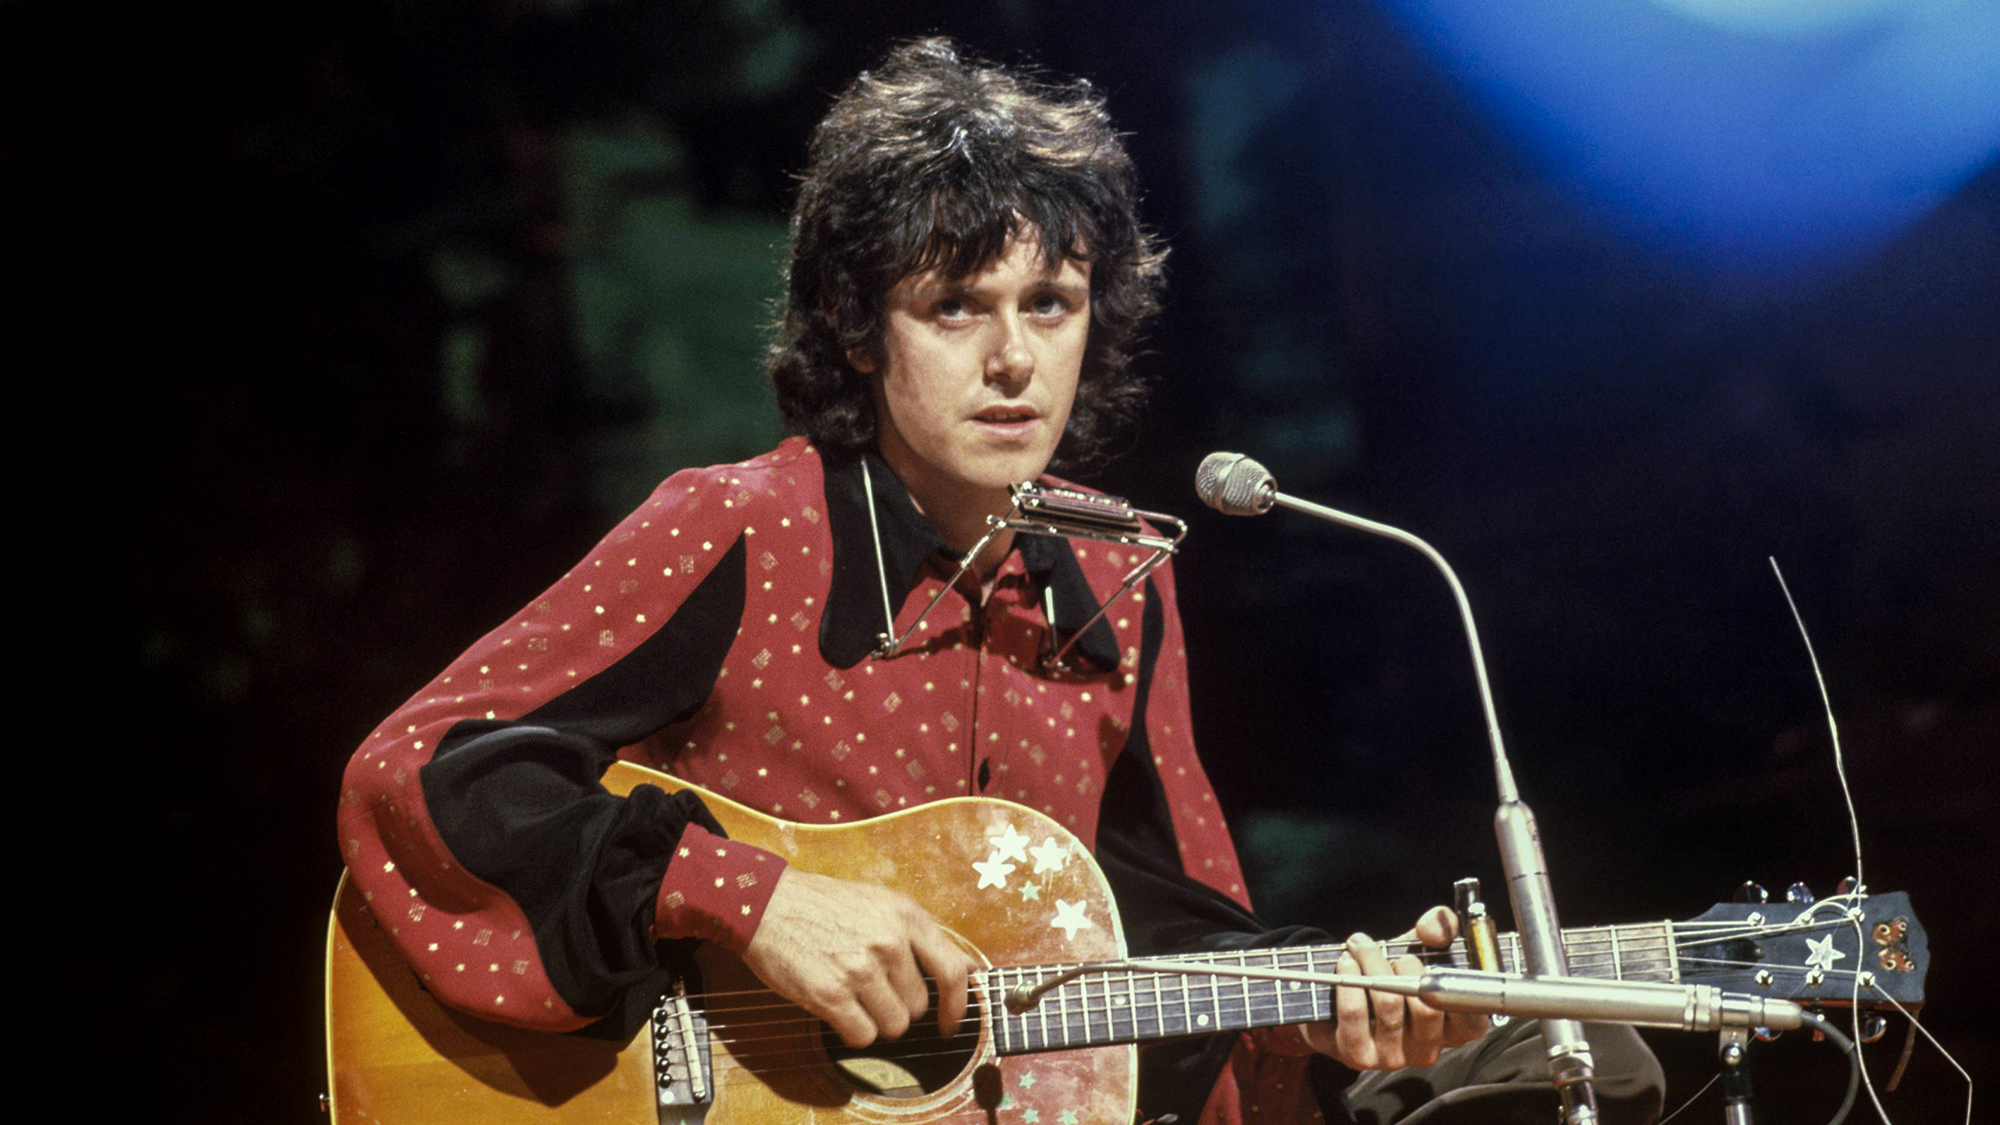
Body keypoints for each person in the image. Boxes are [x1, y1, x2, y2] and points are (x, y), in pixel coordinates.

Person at [338, 37, 1662, 1124]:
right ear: (859, 327)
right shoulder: (743, 527)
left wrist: (1330, 1011)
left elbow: (1166, 938)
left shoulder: (1117, 573)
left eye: (1051, 303)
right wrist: (753, 899)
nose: (1015, 359)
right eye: (956, 306)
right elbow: (426, 766)